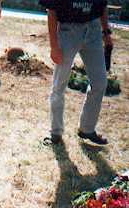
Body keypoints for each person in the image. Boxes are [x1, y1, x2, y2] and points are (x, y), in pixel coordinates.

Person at [40, 0, 113, 145]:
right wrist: (54, 47)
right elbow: (51, 11)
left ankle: (87, 128)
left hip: (93, 30)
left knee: (100, 83)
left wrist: (106, 33)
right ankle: (56, 132)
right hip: (68, 31)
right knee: (59, 85)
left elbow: (102, 5)